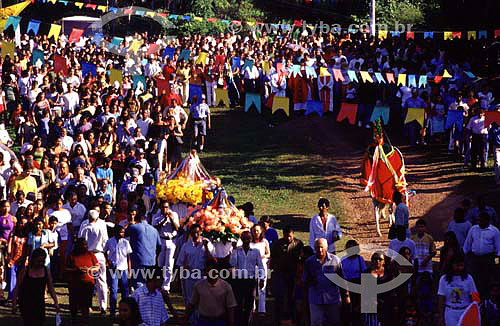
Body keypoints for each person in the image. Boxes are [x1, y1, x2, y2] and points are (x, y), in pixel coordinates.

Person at [303, 238, 350, 326]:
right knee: (317, 323)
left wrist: (346, 296)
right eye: (317, 247)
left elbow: (342, 280)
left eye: (322, 247)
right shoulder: (309, 262)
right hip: (316, 300)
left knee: (334, 322)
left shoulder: (335, 260)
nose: (320, 250)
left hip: (332, 299)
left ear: (327, 248)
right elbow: (305, 281)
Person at [11, 248, 59, 325]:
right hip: (26, 302)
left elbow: (51, 287)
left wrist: (56, 301)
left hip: (39, 302)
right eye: (38, 261)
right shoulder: (25, 271)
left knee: (39, 322)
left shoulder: (46, 271)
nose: (41, 263)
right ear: (33, 260)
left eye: (43, 261)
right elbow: (17, 288)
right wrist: (14, 304)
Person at [185, 259, 238, 326]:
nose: (209, 273)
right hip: (203, 321)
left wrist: (231, 323)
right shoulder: (199, 285)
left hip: (220, 321)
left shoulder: (226, 286)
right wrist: (185, 320)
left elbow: (231, 307)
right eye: (207, 271)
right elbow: (192, 304)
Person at [230, 230, 265, 326]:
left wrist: (262, 278)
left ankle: (247, 322)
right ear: (241, 239)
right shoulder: (237, 251)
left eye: (248, 238)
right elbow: (232, 263)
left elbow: (261, 266)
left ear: (251, 239)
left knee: (249, 304)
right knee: (238, 304)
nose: (246, 240)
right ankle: (238, 322)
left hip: (250, 281)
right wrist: (233, 250)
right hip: (239, 280)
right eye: (244, 238)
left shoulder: (255, 252)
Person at [270, 226, 303, 326]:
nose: (288, 238)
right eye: (286, 236)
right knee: (279, 297)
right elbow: (273, 258)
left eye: (290, 236)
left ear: (293, 234)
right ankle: (277, 319)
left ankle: (293, 318)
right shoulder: (278, 244)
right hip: (280, 273)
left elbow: (301, 258)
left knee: (292, 297)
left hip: (293, 274)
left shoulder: (298, 244)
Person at [463, 212, 500, 297]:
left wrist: (497, 262)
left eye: (481, 220)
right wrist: (464, 255)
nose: (479, 222)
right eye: (478, 220)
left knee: (486, 279)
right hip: (475, 258)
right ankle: (475, 299)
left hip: (488, 258)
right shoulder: (473, 229)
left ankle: (485, 298)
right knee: (474, 278)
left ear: (487, 221)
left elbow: (498, 249)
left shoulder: (495, 231)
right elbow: (467, 244)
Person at [438, 253, 480, 326]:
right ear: (452, 265)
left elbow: (475, 299)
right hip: (450, 312)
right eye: (457, 265)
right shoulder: (443, 279)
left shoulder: (469, 278)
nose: (459, 268)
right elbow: (441, 299)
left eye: (462, 265)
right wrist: (441, 317)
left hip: (465, 311)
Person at [125, 205, 161, 288]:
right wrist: (154, 257)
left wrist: (130, 223)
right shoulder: (154, 230)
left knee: (139, 283)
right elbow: (159, 247)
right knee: (149, 284)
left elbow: (123, 233)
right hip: (151, 261)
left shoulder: (134, 227)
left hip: (138, 260)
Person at [66, 238, 99, 325]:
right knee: (74, 302)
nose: (85, 246)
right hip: (75, 284)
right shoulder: (72, 255)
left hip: (88, 283)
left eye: (86, 245)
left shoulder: (90, 254)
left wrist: (90, 269)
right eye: (83, 244)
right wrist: (76, 270)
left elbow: (97, 266)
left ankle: (85, 319)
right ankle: (73, 319)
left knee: (86, 302)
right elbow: (66, 268)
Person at [104, 224, 132, 317]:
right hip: (114, 269)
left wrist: (129, 270)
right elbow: (104, 251)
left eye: (123, 232)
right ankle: (112, 311)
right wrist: (108, 261)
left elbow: (128, 257)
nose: (122, 234)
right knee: (114, 290)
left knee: (125, 290)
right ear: (116, 232)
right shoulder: (110, 241)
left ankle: (125, 310)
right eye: (121, 232)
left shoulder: (125, 242)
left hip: (123, 268)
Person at [153, 200, 179, 292]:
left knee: (169, 264)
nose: (165, 209)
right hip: (161, 239)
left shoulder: (174, 214)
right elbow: (155, 228)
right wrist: (163, 219)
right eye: (163, 207)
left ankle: (166, 286)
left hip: (171, 241)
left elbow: (177, 228)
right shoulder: (157, 215)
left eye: (166, 207)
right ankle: (160, 283)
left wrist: (170, 218)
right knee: (160, 263)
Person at [340, 239, 366, 326]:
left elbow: (364, 273)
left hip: (357, 286)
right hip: (346, 285)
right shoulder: (343, 260)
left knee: (357, 309)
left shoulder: (360, 259)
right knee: (346, 309)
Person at [250, 223, 270, 315]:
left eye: (257, 230)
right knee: (252, 288)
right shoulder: (250, 242)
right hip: (252, 267)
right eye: (254, 231)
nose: (256, 232)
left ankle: (262, 309)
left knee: (262, 288)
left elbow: (269, 254)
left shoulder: (264, 241)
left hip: (262, 266)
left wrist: (263, 256)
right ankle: (252, 307)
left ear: (261, 231)